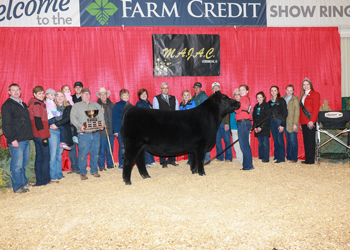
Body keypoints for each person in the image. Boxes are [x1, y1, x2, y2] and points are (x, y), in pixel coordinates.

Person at [1, 83, 34, 193]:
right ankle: (18, 187)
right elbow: (6, 125)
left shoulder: (23, 104)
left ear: (20, 91)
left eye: (17, 90)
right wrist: (12, 138)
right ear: (9, 92)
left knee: (24, 163)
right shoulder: (7, 105)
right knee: (17, 165)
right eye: (13, 90)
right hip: (16, 140)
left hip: (25, 138)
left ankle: (24, 183)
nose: (16, 92)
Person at [70, 88, 104, 180]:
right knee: (83, 153)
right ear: (81, 95)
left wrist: (102, 125)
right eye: (84, 93)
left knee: (95, 153)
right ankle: (82, 172)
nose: (86, 95)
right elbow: (73, 118)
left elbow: (101, 116)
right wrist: (80, 126)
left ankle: (94, 170)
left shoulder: (96, 105)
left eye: (88, 93)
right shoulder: (76, 106)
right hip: (83, 133)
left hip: (96, 132)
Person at [28, 86, 51, 186]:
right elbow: (38, 121)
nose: (41, 95)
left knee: (39, 158)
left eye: (42, 93)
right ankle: (45, 180)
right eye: (39, 94)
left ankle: (39, 181)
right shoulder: (37, 104)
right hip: (41, 134)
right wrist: (43, 136)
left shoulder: (35, 103)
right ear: (34, 94)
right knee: (45, 157)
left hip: (36, 135)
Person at [48, 91, 74, 181]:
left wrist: (56, 124)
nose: (59, 98)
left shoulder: (68, 107)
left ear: (64, 98)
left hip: (62, 133)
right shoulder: (52, 106)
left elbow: (67, 118)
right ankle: (52, 175)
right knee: (53, 154)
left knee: (59, 154)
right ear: (55, 97)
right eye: (57, 96)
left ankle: (58, 173)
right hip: (53, 132)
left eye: (61, 96)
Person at [153, 82, 179, 168]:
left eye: (167, 87)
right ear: (161, 89)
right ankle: (163, 161)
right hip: (162, 125)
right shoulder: (156, 98)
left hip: (173, 124)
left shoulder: (174, 98)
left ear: (168, 89)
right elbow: (155, 112)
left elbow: (177, 111)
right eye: (163, 88)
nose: (165, 89)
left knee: (173, 143)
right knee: (163, 143)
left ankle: (172, 160)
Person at [299, 78, 321, 164]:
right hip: (304, 121)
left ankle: (311, 160)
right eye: (304, 85)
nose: (306, 86)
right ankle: (307, 159)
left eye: (307, 84)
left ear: (310, 85)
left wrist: (312, 120)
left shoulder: (315, 94)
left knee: (311, 141)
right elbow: (301, 111)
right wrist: (300, 122)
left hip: (310, 121)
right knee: (306, 141)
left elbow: (316, 109)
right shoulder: (302, 96)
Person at [235, 85, 254, 170]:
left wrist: (235, 107)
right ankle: (249, 165)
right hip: (246, 122)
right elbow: (249, 113)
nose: (241, 91)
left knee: (244, 146)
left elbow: (238, 109)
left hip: (242, 123)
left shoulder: (243, 99)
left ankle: (247, 166)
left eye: (243, 90)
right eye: (240, 90)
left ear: (247, 91)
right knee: (246, 145)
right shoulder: (247, 99)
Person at [212, 82, 232, 162]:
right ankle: (220, 157)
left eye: (217, 88)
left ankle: (228, 157)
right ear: (212, 90)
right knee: (217, 141)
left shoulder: (224, 98)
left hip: (223, 122)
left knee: (227, 140)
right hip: (215, 124)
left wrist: (227, 123)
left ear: (220, 89)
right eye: (214, 88)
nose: (216, 89)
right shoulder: (211, 99)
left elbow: (227, 111)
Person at [135, 88, 155, 168]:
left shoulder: (149, 103)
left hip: (149, 126)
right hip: (143, 127)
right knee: (143, 145)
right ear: (139, 96)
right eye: (142, 94)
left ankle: (150, 161)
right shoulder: (139, 104)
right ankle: (144, 163)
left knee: (149, 144)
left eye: (145, 94)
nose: (144, 95)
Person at [113, 89, 132, 170]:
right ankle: (121, 164)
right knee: (122, 146)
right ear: (121, 96)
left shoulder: (131, 105)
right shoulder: (117, 105)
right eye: (124, 95)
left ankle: (127, 163)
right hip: (121, 129)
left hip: (129, 129)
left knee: (129, 146)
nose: (126, 96)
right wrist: (116, 131)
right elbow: (114, 118)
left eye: (127, 95)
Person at [268, 86, 288, 163]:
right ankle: (276, 155)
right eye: (272, 90)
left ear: (278, 91)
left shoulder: (281, 100)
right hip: (272, 121)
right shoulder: (269, 102)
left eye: (275, 90)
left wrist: (282, 124)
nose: (273, 92)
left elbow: (285, 113)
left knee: (280, 140)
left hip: (279, 121)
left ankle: (281, 158)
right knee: (275, 140)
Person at [97, 87, 115, 171]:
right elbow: (93, 118)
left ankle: (110, 164)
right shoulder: (96, 105)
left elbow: (115, 117)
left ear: (107, 95)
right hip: (101, 131)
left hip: (111, 130)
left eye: (104, 94)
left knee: (110, 148)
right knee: (101, 149)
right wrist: (100, 113)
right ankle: (101, 166)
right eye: (101, 94)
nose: (103, 96)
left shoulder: (112, 105)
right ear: (99, 96)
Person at [192, 82, 211, 163]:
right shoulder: (193, 97)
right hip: (196, 121)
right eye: (195, 87)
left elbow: (206, 109)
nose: (196, 89)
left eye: (198, 87)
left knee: (204, 139)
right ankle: (199, 158)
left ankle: (206, 158)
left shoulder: (203, 96)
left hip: (202, 121)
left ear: (201, 88)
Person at [67, 82, 83, 174]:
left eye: (79, 87)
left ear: (82, 88)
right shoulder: (70, 98)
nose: (78, 89)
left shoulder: (84, 98)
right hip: (71, 126)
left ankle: (81, 167)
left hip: (80, 126)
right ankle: (74, 167)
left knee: (81, 147)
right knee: (72, 148)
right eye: (76, 87)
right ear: (74, 88)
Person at [283, 85, 300, 163]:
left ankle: (294, 158)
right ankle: (289, 156)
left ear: (293, 91)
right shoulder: (282, 99)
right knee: (288, 140)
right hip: (285, 122)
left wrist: (295, 123)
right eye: (287, 90)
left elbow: (297, 112)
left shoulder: (295, 99)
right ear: (285, 90)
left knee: (293, 140)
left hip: (292, 122)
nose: (289, 92)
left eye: (290, 90)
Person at [253, 91, 271, 163]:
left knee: (265, 143)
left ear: (263, 98)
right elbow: (254, 117)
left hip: (265, 127)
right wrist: (255, 126)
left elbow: (267, 117)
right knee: (260, 142)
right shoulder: (256, 106)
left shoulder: (266, 105)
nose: (259, 99)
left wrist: (261, 126)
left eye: (261, 97)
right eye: (258, 97)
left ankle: (266, 158)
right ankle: (261, 156)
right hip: (257, 127)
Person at [179, 90, 197, 164]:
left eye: (187, 95)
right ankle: (190, 159)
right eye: (184, 95)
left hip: (191, 126)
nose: (185, 96)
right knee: (187, 143)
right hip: (183, 126)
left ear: (189, 96)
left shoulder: (192, 103)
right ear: (182, 96)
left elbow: (195, 115)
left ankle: (192, 160)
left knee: (192, 143)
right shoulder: (181, 104)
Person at [230, 89, 243, 164]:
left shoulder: (243, 102)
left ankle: (243, 158)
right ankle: (238, 157)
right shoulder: (232, 103)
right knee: (235, 143)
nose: (237, 96)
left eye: (238, 94)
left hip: (241, 125)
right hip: (233, 126)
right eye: (235, 94)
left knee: (242, 143)